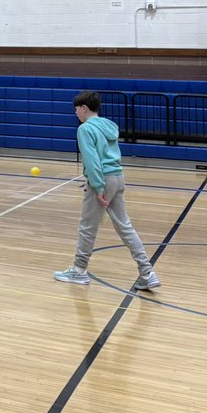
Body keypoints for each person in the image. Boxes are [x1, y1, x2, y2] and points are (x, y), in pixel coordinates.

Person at [54, 90, 161, 291]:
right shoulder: (108, 126)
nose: (76, 114)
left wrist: (98, 186)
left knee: (87, 227)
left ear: (84, 108)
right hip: (118, 177)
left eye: (77, 110)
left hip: (102, 180)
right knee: (125, 227)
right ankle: (147, 272)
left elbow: (92, 160)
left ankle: (79, 270)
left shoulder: (85, 129)